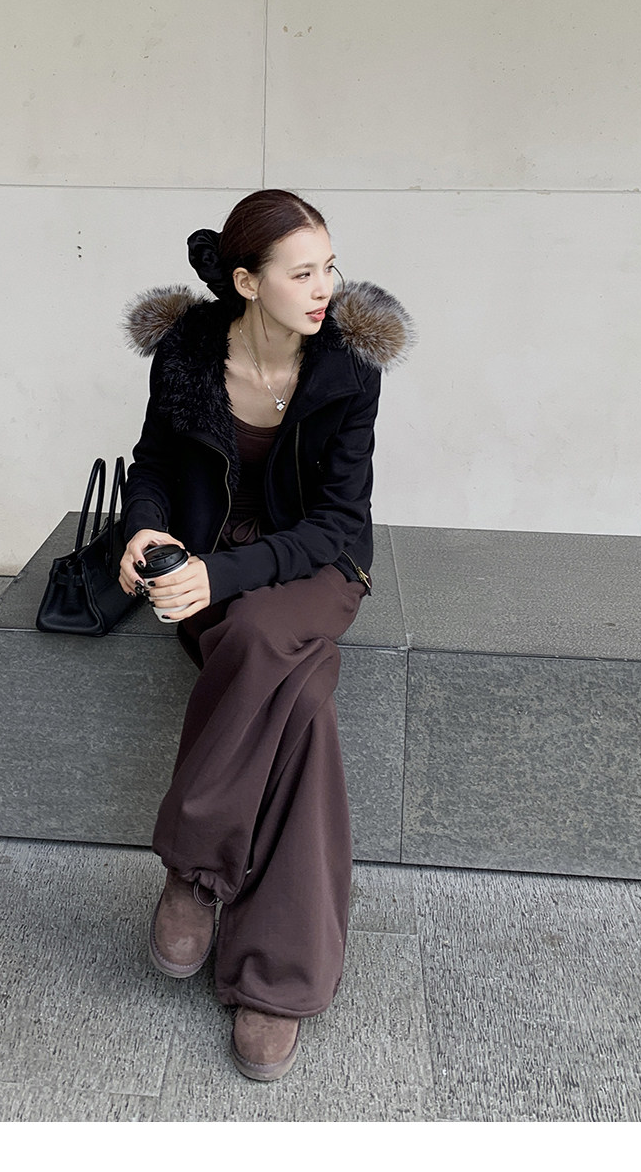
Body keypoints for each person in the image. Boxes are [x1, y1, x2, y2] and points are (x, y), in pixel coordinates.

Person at [118, 189, 411, 1081]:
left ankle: (192, 865)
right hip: (205, 560)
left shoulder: (348, 369)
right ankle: (277, 975)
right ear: (247, 282)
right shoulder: (188, 351)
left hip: (316, 568)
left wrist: (225, 576)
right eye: (303, 272)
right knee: (305, 701)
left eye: (329, 267)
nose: (326, 288)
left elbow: (337, 525)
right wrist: (143, 526)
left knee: (253, 633)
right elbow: (154, 462)